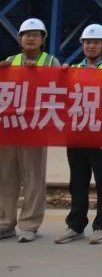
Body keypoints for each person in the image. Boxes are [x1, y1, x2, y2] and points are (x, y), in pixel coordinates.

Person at [54, 24, 102, 246]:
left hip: (101, 134)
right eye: (88, 42)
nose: (91, 46)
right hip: (77, 133)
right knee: (78, 181)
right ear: (82, 45)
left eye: (96, 42)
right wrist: (61, 76)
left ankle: (101, 225)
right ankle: (75, 224)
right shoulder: (71, 70)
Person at [0, 18, 60, 243]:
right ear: (19, 40)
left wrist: (42, 73)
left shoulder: (51, 61)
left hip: (35, 128)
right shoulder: (10, 61)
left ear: (43, 40)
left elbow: (62, 88)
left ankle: (29, 225)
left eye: (36, 35)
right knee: (6, 176)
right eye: (27, 35)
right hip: (10, 128)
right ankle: (5, 223)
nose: (31, 38)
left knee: (34, 178)